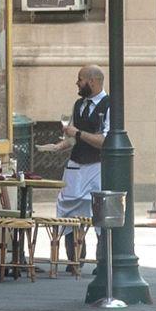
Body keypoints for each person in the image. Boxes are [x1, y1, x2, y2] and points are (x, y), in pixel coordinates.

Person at [42, 64, 109, 261]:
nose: (77, 83)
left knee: (97, 210)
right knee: (66, 206)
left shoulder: (109, 104)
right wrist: (59, 146)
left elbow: (106, 140)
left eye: (80, 79)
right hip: (75, 164)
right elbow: (73, 137)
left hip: (96, 166)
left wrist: (78, 133)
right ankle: (74, 258)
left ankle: (101, 260)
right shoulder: (78, 105)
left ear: (92, 81)